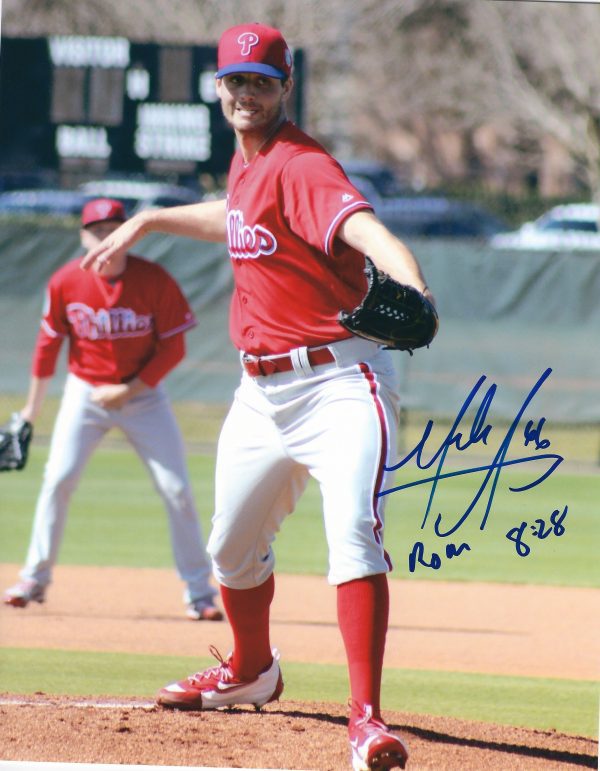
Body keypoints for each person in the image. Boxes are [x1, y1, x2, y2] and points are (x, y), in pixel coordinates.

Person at [80, 24, 435, 771]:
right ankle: (250, 670)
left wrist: (415, 286)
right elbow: (233, 216)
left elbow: (367, 230)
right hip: (261, 391)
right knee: (229, 550)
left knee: (354, 532)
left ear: (285, 88)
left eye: (262, 82)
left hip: (340, 383)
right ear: (219, 88)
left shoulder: (301, 164)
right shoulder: (250, 163)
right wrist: (149, 219)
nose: (248, 93)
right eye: (236, 80)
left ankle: (366, 720)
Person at [4, 198, 222, 623]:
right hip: (85, 394)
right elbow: (47, 348)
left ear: (128, 234)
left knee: (176, 489)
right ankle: (34, 578)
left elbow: (174, 347)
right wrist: (31, 410)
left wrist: (130, 389)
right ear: (83, 236)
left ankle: (199, 591)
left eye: (113, 228)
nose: (105, 237)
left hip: (144, 396)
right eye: (97, 230)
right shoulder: (66, 281)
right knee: (58, 479)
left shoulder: (153, 279)